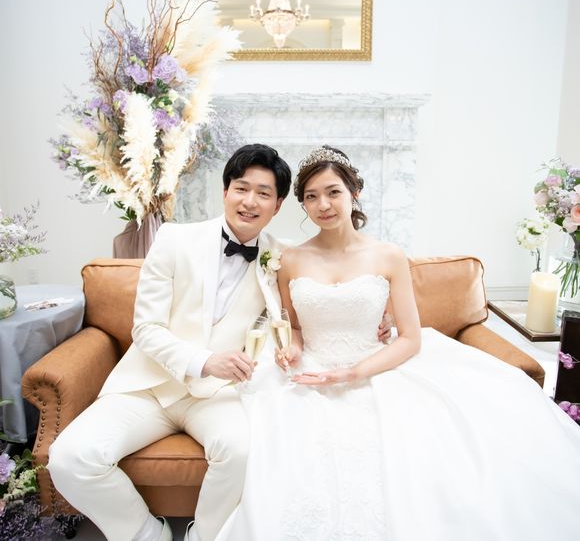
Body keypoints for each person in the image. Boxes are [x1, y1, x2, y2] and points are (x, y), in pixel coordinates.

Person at [214, 145, 580, 541]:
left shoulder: (388, 256)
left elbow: (410, 338)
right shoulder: (290, 259)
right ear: (301, 204)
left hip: (376, 368)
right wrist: (294, 348)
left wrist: (353, 372)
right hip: (310, 374)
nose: (323, 205)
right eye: (312, 196)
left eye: (333, 192)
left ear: (354, 192)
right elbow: (296, 326)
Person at [47, 144, 292, 541]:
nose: (250, 201)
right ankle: (147, 535)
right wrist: (204, 360)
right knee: (69, 459)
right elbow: (146, 329)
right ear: (225, 191)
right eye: (241, 188)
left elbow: (296, 314)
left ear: (277, 205)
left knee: (242, 452)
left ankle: (205, 537)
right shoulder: (174, 239)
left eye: (263, 193)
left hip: (219, 394)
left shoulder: (279, 257)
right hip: (149, 386)